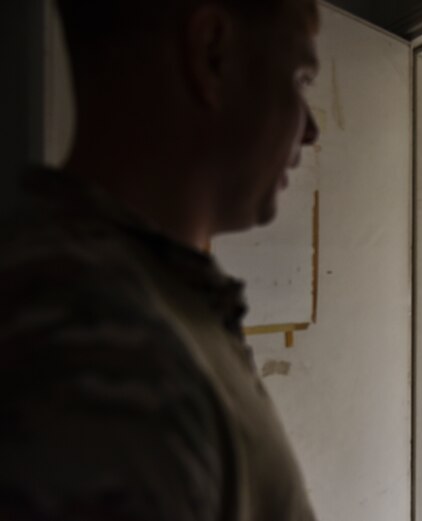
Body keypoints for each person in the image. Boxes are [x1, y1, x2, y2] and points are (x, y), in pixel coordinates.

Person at [0, 0, 320, 519]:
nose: (310, 129)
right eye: (301, 78)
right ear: (212, 54)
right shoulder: (96, 344)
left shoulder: (144, 296)